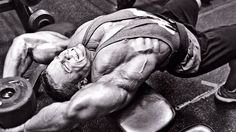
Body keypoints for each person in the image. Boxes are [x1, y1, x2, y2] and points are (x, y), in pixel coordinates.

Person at [1, 0, 234, 131]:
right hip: (190, 50)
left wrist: (9, 101)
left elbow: (22, 43)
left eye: (60, 59)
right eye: (68, 66)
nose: (67, 56)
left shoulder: (73, 45)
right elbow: (70, 112)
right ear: (83, 82)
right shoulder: (114, 79)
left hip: (163, 18)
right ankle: (230, 90)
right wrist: (20, 129)